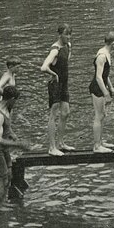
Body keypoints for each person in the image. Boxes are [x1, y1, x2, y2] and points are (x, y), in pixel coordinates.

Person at [0, 86, 31, 209]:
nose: (16, 104)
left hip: (4, 150)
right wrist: (17, 145)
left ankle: (3, 202)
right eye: (15, 101)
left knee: (8, 177)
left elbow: (8, 129)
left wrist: (16, 138)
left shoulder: (7, 110)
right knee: (2, 180)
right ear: (11, 99)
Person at [41, 23, 73, 156]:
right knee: (53, 114)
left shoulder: (68, 46)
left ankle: (61, 143)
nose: (68, 37)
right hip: (55, 84)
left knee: (65, 112)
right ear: (60, 34)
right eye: (66, 34)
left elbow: (66, 61)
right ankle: (52, 147)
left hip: (64, 83)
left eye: (70, 34)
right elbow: (43, 67)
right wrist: (54, 74)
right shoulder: (55, 49)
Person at [89, 31, 114, 153]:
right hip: (97, 88)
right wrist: (105, 93)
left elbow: (106, 75)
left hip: (102, 86)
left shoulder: (107, 53)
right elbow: (98, 77)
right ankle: (97, 146)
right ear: (113, 43)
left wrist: (111, 87)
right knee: (98, 115)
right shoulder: (102, 56)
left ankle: (100, 141)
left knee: (103, 115)